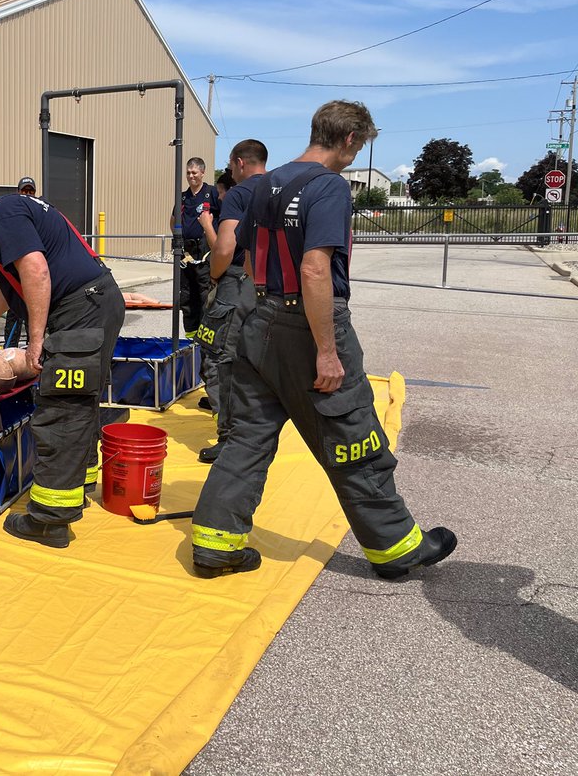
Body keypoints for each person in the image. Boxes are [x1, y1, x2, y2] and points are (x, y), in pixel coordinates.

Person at [189, 100, 456, 580]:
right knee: (352, 434)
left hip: (258, 319)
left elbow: (244, 260)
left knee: (246, 439)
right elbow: (315, 268)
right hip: (308, 326)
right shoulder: (329, 187)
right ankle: (395, 547)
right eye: (360, 145)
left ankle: (214, 544)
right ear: (350, 139)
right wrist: (327, 351)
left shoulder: (262, 185)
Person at [0, 185, 125, 549]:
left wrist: (36, 340)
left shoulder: (5, 214)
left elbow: (36, 271)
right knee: (79, 403)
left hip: (81, 312)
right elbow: (10, 290)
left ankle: (49, 520)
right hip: (94, 306)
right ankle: (81, 482)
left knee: (60, 410)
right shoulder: (10, 219)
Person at [195, 140, 268, 464]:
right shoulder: (279, 188)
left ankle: (229, 440)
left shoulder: (240, 193)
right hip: (267, 285)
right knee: (252, 360)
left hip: (236, 282)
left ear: (239, 163)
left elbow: (225, 248)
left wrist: (214, 276)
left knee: (218, 358)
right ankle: (254, 433)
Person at [170, 157, 218, 341]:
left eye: (194, 172)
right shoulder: (182, 197)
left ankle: (205, 336)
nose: (191, 176)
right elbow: (173, 219)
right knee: (187, 295)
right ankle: (190, 336)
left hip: (204, 250)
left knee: (204, 293)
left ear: (203, 173)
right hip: (186, 252)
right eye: (188, 173)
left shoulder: (211, 193)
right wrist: (178, 239)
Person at [2, 176, 39, 348]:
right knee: (14, 313)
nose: (27, 194)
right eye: (24, 190)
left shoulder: (38, 212)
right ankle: (9, 349)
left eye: (31, 191)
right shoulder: (13, 212)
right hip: (16, 273)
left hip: (33, 275)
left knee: (34, 315)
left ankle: (34, 348)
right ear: (18, 192)